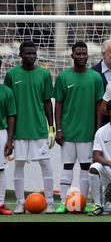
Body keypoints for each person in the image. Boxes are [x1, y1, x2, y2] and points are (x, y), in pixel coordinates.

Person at [53, 41, 104, 214]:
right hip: (67, 132)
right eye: (78, 54)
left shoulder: (95, 77)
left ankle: (82, 202)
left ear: (87, 55)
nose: (81, 56)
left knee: (85, 167)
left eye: (84, 53)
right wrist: (58, 129)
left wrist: (98, 129)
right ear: (72, 55)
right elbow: (58, 104)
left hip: (87, 132)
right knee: (67, 166)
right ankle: (62, 202)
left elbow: (99, 105)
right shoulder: (63, 77)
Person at [4, 41, 55, 214]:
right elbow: (9, 104)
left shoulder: (44, 74)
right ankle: (20, 202)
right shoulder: (11, 74)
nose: (31, 56)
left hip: (39, 128)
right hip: (18, 130)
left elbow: (48, 102)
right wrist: (9, 137)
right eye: (27, 53)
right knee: (18, 165)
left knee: (45, 164)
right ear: (20, 55)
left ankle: (50, 202)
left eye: (33, 53)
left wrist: (51, 128)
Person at [90, 39, 111, 214]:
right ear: (103, 54)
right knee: (99, 163)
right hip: (100, 127)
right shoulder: (93, 73)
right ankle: (99, 201)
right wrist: (98, 127)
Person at [0, 81, 16, 215]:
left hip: (1, 133)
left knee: (0, 169)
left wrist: (10, 140)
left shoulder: (6, 91)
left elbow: (11, 116)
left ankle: (0, 203)